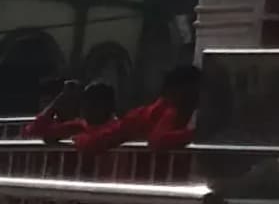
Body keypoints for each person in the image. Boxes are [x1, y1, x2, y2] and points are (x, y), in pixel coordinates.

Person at [74, 64, 203, 158]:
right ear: (176, 91)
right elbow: (158, 140)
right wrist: (200, 135)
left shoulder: (166, 109)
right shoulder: (171, 110)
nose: (198, 96)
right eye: (194, 90)